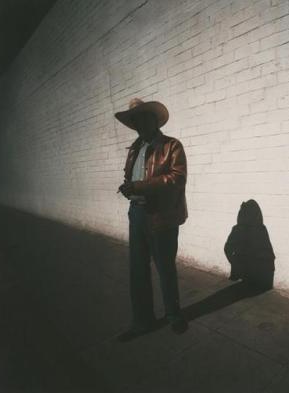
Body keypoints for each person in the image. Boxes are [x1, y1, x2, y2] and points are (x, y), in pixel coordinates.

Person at [114, 98, 188, 341]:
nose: (139, 124)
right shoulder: (135, 148)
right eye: (135, 120)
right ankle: (142, 321)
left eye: (144, 118)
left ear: (154, 120)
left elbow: (176, 178)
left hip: (162, 216)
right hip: (136, 214)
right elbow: (133, 177)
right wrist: (129, 188)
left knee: (165, 268)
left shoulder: (172, 146)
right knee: (137, 269)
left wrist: (140, 186)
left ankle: (173, 315)